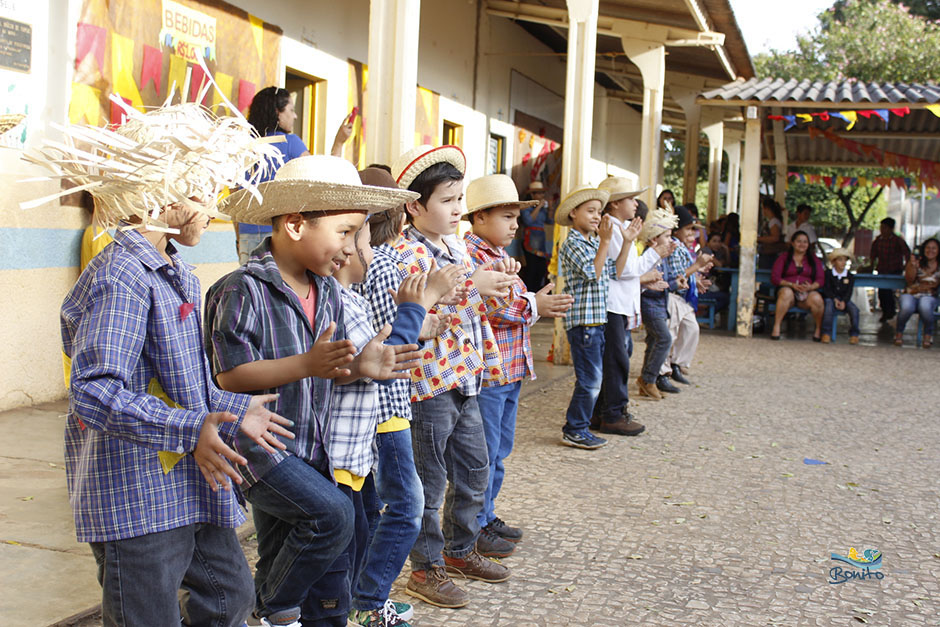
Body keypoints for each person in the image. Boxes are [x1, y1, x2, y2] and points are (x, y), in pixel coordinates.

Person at [34, 100, 294, 626]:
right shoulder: (122, 276)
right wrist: (192, 425)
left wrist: (231, 408)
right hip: (136, 498)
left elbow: (180, 381)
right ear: (163, 191)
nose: (212, 202)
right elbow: (95, 392)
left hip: (188, 487)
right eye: (201, 187)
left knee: (231, 599)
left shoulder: (175, 271)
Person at [206, 155, 422, 627]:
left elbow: (329, 370)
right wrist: (306, 364)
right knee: (335, 517)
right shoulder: (241, 289)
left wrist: (360, 366)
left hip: (312, 449)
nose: (350, 249)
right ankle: (266, 607)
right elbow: (228, 377)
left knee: (285, 548)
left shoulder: (326, 289)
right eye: (344, 232)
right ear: (296, 223)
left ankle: (280, 613)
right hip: (259, 451)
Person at [391, 145, 516, 610]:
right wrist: (473, 284)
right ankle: (425, 569)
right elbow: (414, 307)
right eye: (447, 200)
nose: (458, 209)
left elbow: (473, 305)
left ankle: (460, 550)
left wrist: (495, 287)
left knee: (476, 467)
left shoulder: (456, 244)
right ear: (414, 205)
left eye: (459, 198)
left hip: (464, 376)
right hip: (427, 383)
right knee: (430, 479)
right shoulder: (403, 252)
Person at [335, 212, 458, 627]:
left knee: (369, 510)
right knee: (407, 506)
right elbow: (394, 344)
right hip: (385, 408)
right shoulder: (384, 264)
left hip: (381, 406)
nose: (357, 247)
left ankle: (358, 597)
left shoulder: (377, 264)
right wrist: (422, 305)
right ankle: (367, 600)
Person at [463, 174, 574, 555]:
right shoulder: (472, 256)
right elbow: (493, 305)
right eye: (507, 217)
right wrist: (534, 305)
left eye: (516, 217)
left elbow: (512, 299)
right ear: (478, 218)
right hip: (489, 373)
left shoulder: (499, 256)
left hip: (509, 370)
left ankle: (486, 514)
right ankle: (472, 527)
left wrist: (529, 299)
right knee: (482, 453)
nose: (515, 225)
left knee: (499, 450)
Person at [558, 184, 634, 449]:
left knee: (593, 379)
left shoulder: (591, 243)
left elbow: (616, 271)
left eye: (598, 211)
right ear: (572, 214)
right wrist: (604, 242)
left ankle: (579, 426)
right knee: (590, 381)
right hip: (583, 323)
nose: (595, 216)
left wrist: (626, 242)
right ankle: (575, 428)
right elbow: (593, 272)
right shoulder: (573, 243)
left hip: (596, 322)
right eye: (589, 211)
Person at [593, 177, 663, 436]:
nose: (636, 204)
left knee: (615, 359)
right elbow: (623, 271)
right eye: (630, 199)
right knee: (616, 361)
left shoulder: (620, 227)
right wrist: (655, 255)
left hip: (619, 303)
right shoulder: (612, 227)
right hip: (612, 303)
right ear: (613, 205)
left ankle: (602, 412)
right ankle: (613, 413)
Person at [659, 206, 714, 391]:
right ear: (677, 230)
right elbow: (676, 275)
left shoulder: (683, 248)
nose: (692, 233)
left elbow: (686, 273)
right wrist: (697, 265)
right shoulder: (673, 247)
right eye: (688, 229)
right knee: (670, 335)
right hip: (673, 297)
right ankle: (662, 373)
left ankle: (676, 364)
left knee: (691, 329)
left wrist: (696, 280)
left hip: (683, 298)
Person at [636, 209, 680, 401]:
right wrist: (665, 284)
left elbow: (665, 279)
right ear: (654, 238)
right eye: (667, 236)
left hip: (661, 305)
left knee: (654, 341)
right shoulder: (649, 256)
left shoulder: (663, 257)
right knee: (664, 339)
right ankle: (649, 378)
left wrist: (677, 281)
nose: (671, 240)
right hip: (650, 305)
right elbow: (645, 282)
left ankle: (645, 381)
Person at [769, 231, 826, 341]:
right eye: (799, 241)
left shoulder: (813, 259)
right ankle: (776, 327)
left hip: (806, 292)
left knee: (817, 299)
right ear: (793, 243)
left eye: (805, 242)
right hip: (788, 291)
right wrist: (791, 284)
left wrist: (811, 287)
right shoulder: (784, 258)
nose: (802, 244)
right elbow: (775, 278)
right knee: (786, 293)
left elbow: (821, 279)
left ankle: (818, 330)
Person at [895, 237, 940, 348]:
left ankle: (928, 335)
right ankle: (899, 333)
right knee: (906, 307)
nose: (930, 251)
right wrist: (912, 265)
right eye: (928, 248)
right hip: (911, 293)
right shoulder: (917, 262)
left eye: (934, 248)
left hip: (930, 295)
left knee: (925, 306)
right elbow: (909, 280)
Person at [869, 217, 911, 322]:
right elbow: (873, 254)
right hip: (882, 269)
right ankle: (886, 311)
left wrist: (907, 266)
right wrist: (870, 265)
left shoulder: (898, 241)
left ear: (891, 229)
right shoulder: (878, 240)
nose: (882, 230)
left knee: (889, 292)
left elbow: (907, 253)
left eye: (885, 228)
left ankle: (890, 311)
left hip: (895, 270)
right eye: (881, 227)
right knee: (881, 292)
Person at [519, 180, 553, 291]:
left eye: (542, 193)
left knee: (542, 268)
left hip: (541, 238)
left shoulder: (543, 209)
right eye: (538, 193)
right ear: (532, 195)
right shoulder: (526, 208)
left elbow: (550, 221)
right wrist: (538, 207)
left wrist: (550, 208)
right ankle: (529, 292)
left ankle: (537, 292)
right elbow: (528, 221)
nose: (541, 196)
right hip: (531, 238)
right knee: (532, 268)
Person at [821, 248, 860, 344]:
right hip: (831, 298)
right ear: (834, 262)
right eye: (840, 260)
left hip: (844, 299)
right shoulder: (828, 274)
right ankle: (826, 333)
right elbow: (826, 289)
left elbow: (849, 292)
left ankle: (854, 334)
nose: (843, 263)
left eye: (845, 260)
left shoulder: (849, 276)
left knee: (854, 310)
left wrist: (844, 301)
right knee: (828, 307)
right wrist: (834, 299)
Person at [757, 197, 786, 269]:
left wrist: (758, 239)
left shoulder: (774, 221)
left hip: (770, 254)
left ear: (766, 208)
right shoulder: (773, 221)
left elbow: (775, 238)